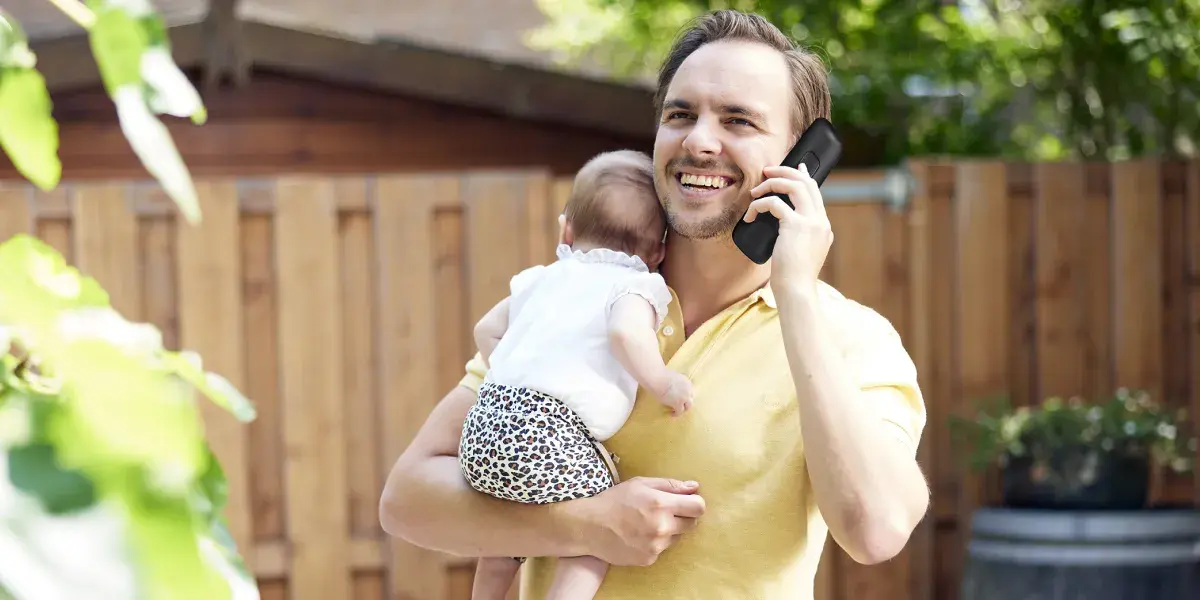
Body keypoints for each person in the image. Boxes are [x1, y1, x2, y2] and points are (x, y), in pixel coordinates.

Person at [380, 9, 930, 600]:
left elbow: (876, 532)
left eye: (738, 120)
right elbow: (408, 498)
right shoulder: (581, 295)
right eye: (680, 114)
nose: (698, 140)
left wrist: (794, 294)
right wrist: (587, 523)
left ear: (801, 161)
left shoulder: (852, 339)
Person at [461, 149, 695, 600]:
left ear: (566, 229)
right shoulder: (636, 284)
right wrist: (664, 383)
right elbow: (627, 336)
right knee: (599, 529)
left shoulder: (541, 279)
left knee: (505, 535)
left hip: (482, 428)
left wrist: (515, 374)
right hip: (549, 430)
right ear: (659, 252)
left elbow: (485, 330)